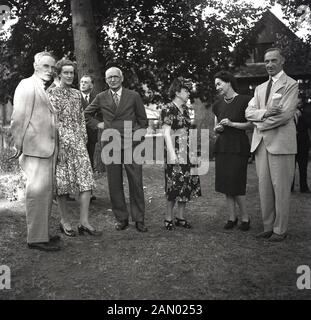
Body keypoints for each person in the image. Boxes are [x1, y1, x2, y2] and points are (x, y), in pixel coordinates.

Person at [84, 67, 149, 232]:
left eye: (115, 77)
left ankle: (139, 219)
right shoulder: (100, 97)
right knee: (114, 183)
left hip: (132, 144)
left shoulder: (133, 96)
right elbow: (86, 114)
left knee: (136, 182)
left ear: (121, 78)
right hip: (110, 144)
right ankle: (122, 218)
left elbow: (143, 119)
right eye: (109, 77)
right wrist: (98, 124)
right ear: (106, 80)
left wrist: (137, 136)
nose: (112, 80)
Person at [245, 48, 299, 242]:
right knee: (264, 187)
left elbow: (285, 115)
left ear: (282, 61)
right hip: (261, 146)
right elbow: (248, 112)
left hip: (281, 144)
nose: (269, 64)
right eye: (266, 61)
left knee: (281, 188)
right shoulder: (259, 88)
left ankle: (280, 229)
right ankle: (268, 226)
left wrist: (259, 124)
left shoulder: (291, 85)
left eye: (273, 60)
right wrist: (266, 113)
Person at [10, 51, 61, 251]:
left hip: (47, 150)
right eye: (46, 66)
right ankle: (36, 239)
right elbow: (18, 118)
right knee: (37, 194)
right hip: (35, 150)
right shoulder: (26, 85)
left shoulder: (46, 88)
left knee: (46, 194)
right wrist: (18, 145)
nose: (50, 71)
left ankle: (43, 234)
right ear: (36, 66)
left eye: (52, 67)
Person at [47, 59, 102, 237]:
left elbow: (80, 118)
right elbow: (53, 122)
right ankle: (65, 221)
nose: (70, 75)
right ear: (59, 74)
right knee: (63, 185)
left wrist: (84, 140)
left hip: (79, 143)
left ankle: (84, 222)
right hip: (62, 144)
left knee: (86, 181)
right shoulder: (52, 93)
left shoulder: (77, 94)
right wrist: (59, 145)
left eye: (72, 73)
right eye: (66, 73)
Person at [212, 71, 253, 231]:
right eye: (216, 85)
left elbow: (251, 124)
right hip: (223, 147)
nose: (217, 87)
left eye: (219, 83)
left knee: (236, 182)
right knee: (225, 183)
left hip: (238, 147)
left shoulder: (245, 100)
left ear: (228, 82)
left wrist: (232, 124)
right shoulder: (217, 104)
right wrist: (219, 128)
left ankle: (245, 217)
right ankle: (231, 217)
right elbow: (215, 128)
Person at [160, 77, 201, 230]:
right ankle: (168, 217)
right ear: (177, 92)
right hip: (175, 151)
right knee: (174, 185)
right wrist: (172, 153)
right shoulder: (168, 108)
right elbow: (166, 132)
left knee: (186, 185)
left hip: (187, 150)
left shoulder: (185, 110)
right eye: (186, 90)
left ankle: (180, 217)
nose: (188, 93)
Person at [80, 74, 98, 201]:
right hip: (78, 135)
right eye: (81, 82)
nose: (82, 84)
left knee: (89, 162)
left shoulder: (96, 98)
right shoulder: (75, 97)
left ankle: (89, 192)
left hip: (91, 135)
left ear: (91, 85)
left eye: (86, 82)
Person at [292, 97, 310, 193]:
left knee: (303, 167)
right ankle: (290, 187)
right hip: (291, 144)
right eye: (296, 103)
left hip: (303, 144)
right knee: (291, 168)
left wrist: (301, 116)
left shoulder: (306, 112)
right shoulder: (288, 114)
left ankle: (304, 187)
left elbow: (308, 124)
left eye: (299, 103)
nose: (298, 105)